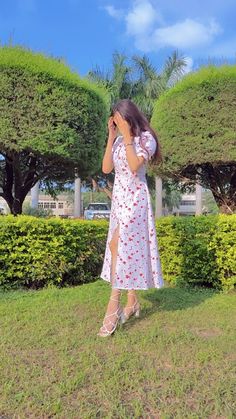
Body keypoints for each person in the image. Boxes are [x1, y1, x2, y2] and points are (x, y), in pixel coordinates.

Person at [97, 99, 165, 337]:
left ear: (129, 116)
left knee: (119, 245)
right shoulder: (117, 140)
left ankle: (113, 305)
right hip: (119, 199)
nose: (117, 122)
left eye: (119, 118)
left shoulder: (147, 139)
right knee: (125, 250)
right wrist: (111, 136)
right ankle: (133, 301)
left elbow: (135, 166)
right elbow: (106, 169)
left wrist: (126, 136)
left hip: (136, 199)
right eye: (114, 119)